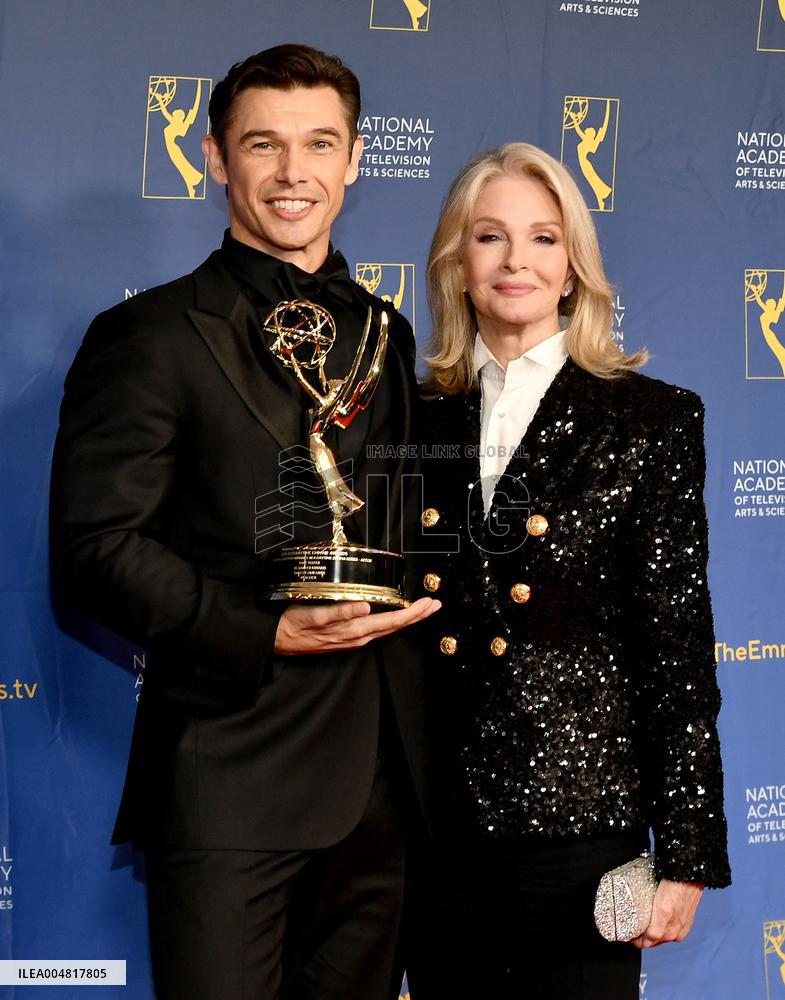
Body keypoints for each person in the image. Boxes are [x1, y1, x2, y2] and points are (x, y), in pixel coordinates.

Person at [50, 44, 439, 1000]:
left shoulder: (388, 335)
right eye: (262, 144)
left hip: (385, 788)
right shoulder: (146, 337)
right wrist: (264, 627)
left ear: (354, 160)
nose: (293, 173)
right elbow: (95, 550)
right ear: (218, 158)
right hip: (230, 774)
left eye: (319, 144)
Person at [407, 143, 731, 999]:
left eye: (543, 238)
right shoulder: (410, 419)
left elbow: (676, 644)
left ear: (573, 268)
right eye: (489, 237)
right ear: (456, 264)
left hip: (584, 830)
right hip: (438, 837)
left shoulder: (648, 420)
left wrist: (687, 851)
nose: (516, 261)